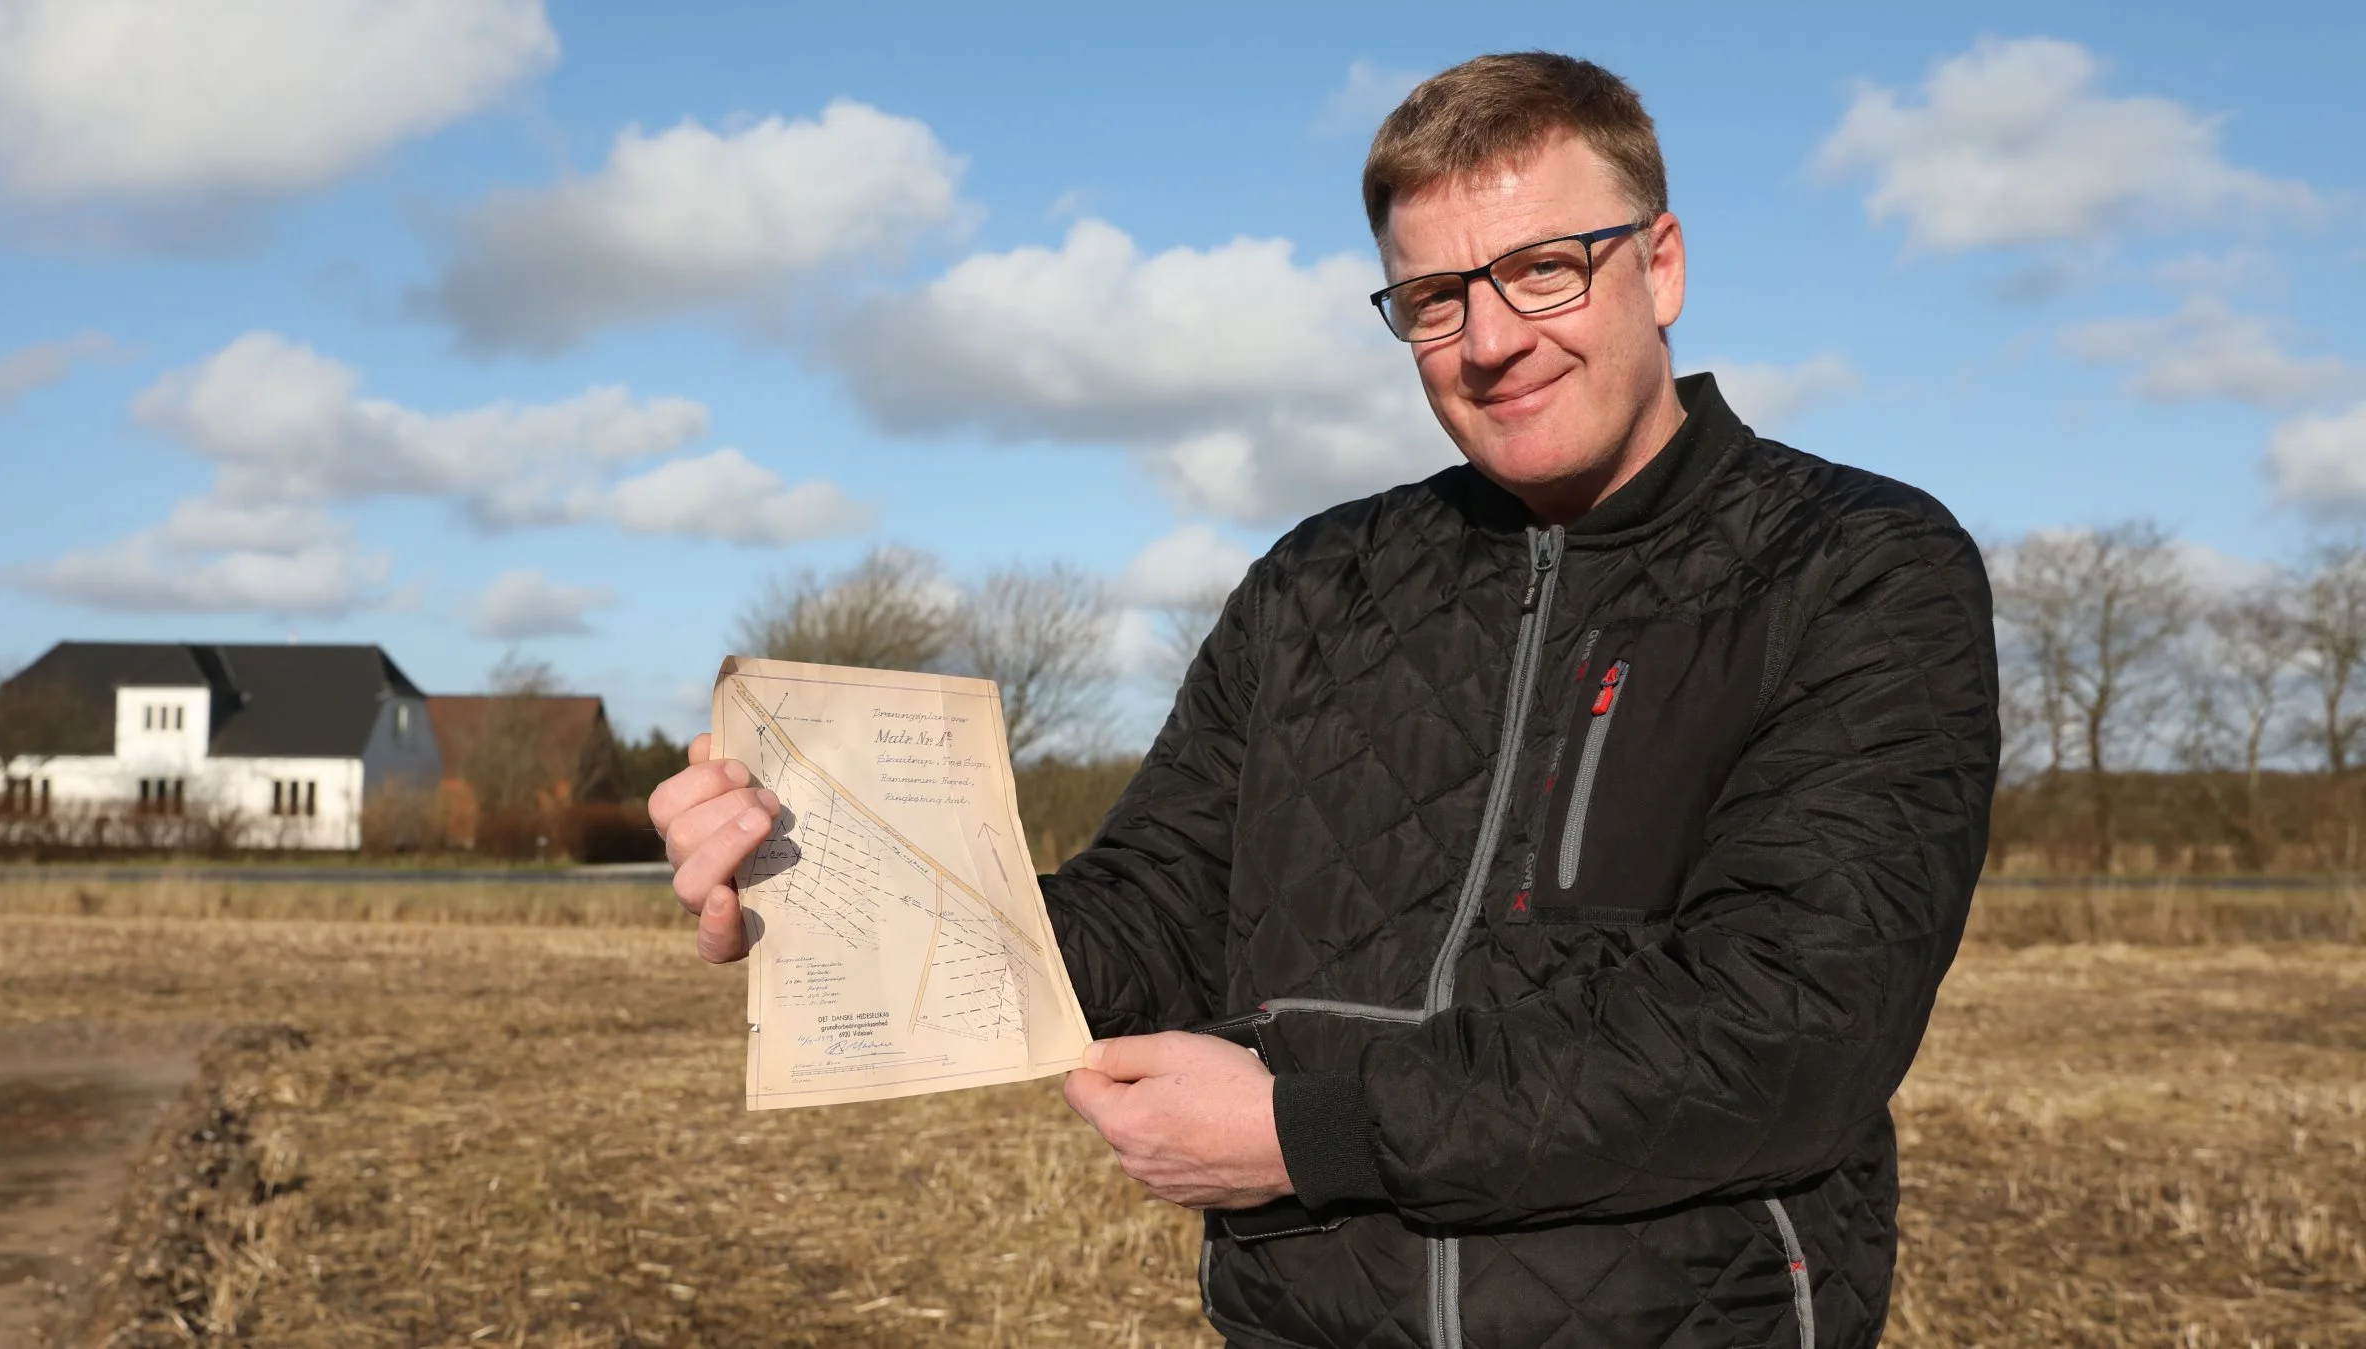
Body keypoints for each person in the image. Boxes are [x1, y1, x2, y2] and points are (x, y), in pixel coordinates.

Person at [649, 51, 1997, 1349]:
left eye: (1543, 270)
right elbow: (1150, 916)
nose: (1490, 342)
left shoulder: (1858, 565)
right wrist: (823, 899)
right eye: (1432, 299)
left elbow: (1788, 1033)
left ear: (1663, 266)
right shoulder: (1319, 581)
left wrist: (1309, 1131)